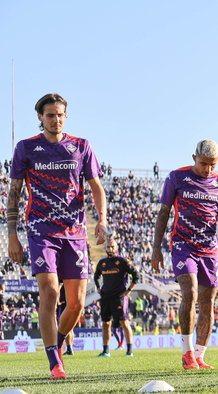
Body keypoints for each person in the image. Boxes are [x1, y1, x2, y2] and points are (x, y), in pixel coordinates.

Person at [8, 93, 107, 379]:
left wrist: (102, 220)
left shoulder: (81, 146)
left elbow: (96, 187)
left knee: (76, 304)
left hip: (75, 233)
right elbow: (14, 193)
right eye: (50, 115)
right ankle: (54, 362)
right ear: (40, 117)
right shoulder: (26, 148)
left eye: (60, 114)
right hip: (41, 230)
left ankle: (59, 344)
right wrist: (12, 235)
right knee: (50, 292)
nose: (56, 119)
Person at [152, 139, 218, 370]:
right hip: (183, 245)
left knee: (207, 303)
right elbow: (163, 213)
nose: (207, 169)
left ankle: (200, 355)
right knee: (189, 293)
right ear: (194, 158)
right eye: (203, 164)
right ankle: (187, 353)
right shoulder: (176, 177)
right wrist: (155, 249)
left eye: (212, 165)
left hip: (209, 249)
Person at [94, 238, 138, 357]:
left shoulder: (123, 261)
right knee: (105, 324)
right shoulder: (102, 263)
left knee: (124, 322)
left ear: (117, 247)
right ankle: (106, 351)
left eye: (112, 247)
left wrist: (129, 290)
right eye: (108, 247)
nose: (110, 249)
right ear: (105, 248)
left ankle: (129, 351)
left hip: (119, 297)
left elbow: (136, 275)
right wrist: (99, 288)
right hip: (105, 297)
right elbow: (96, 276)